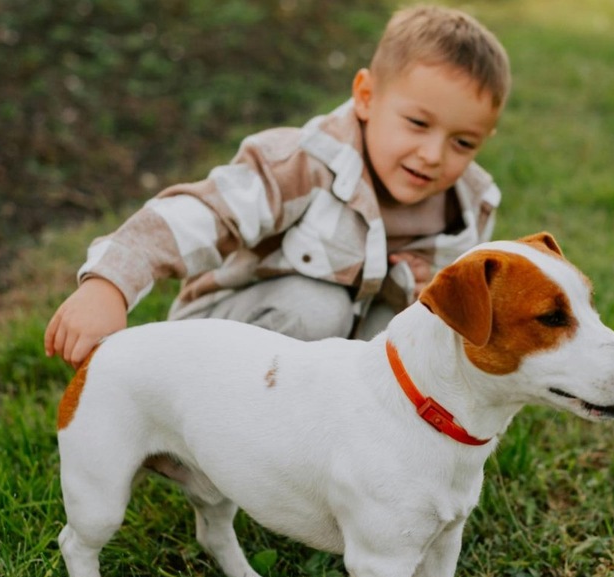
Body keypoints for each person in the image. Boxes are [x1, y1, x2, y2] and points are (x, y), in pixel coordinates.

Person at [44, 5, 510, 368]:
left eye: (462, 142)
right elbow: (203, 215)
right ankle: (215, 438)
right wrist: (110, 283)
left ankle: (337, 451)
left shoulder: (467, 208)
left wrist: (425, 293)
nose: (433, 154)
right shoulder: (301, 163)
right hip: (222, 342)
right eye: (416, 123)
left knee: (409, 332)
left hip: (322, 369)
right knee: (315, 308)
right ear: (366, 97)